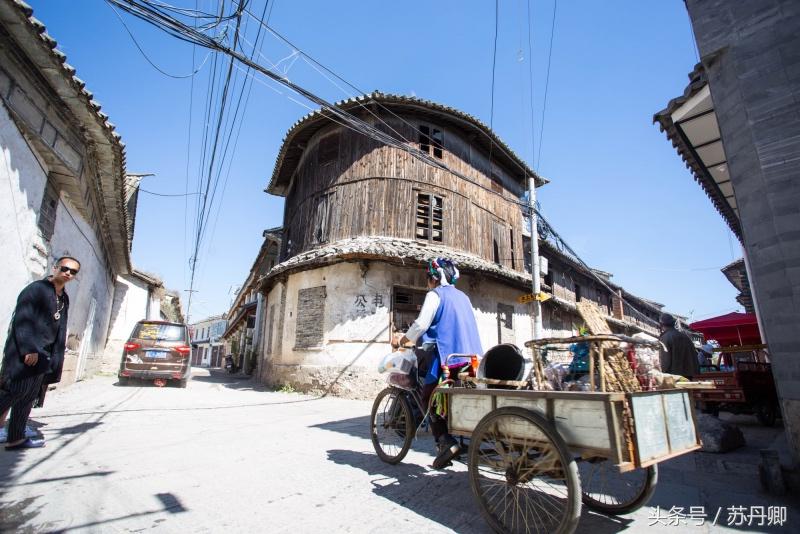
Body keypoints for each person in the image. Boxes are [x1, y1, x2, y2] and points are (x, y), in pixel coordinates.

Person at [392, 258, 483, 469]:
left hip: (448, 361)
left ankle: (445, 442)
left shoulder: (435, 295)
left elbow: (421, 324)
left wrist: (404, 340)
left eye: (428, 278)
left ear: (433, 278)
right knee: (456, 400)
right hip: (472, 361)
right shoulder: (464, 298)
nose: (428, 282)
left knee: (428, 397)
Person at [0, 256, 79, 450]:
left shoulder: (63, 297)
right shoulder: (36, 289)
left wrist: (55, 358)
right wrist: (29, 348)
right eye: (65, 268)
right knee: (13, 392)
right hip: (24, 353)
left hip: (44, 355)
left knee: (28, 397)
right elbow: (22, 319)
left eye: (73, 272)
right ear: (55, 268)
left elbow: (59, 328)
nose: (68, 273)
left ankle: (15, 438)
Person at [658, 313, 699, 378]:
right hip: (688, 375)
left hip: (673, 377)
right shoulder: (685, 337)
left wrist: (662, 374)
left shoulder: (665, 338)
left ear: (661, 325)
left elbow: (665, 361)